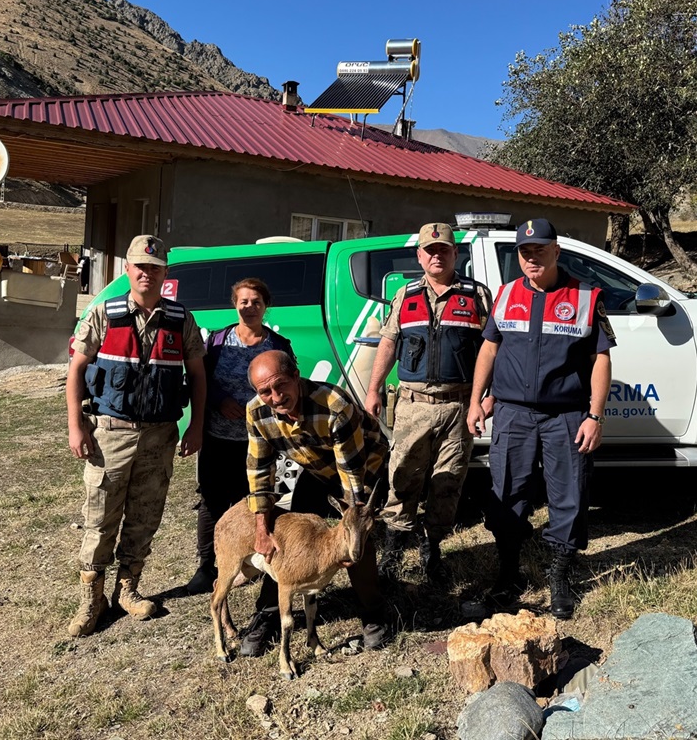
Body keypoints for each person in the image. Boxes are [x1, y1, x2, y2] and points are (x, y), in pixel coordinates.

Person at [466, 218, 615, 619]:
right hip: (512, 414)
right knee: (507, 492)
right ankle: (509, 574)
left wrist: (595, 415)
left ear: (556, 251)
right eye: (525, 251)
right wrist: (476, 400)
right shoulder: (506, 294)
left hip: (566, 415)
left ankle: (560, 576)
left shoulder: (586, 296)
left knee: (569, 495)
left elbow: (601, 359)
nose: (532, 258)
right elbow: (489, 349)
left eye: (540, 250)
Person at [65, 234, 207, 637]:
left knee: (145, 516)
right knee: (100, 518)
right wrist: (76, 426)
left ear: (165, 273)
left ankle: (127, 589)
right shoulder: (104, 314)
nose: (148, 273)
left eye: (155, 268)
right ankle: (91, 600)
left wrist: (195, 426)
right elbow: (76, 371)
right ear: (127, 269)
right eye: (141, 267)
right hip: (110, 434)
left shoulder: (180, 319)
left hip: (160, 436)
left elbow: (198, 376)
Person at [364, 222, 492, 582]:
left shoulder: (477, 295)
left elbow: (493, 348)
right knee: (403, 475)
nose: (437, 256)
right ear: (419, 256)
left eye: (444, 250)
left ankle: (432, 549)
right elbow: (388, 342)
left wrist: (489, 397)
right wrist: (373, 390)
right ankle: (393, 550)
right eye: (430, 251)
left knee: (447, 482)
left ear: (455, 254)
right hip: (413, 405)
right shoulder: (406, 295)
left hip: (458, 406)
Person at [240, 350, 389, 656]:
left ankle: (373, 613)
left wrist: (350, 543)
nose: (276, 397)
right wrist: (261, 528)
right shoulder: (256, 412)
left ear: (296, 377)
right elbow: (259, 472)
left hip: (362, 466)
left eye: (281, 385)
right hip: (316, 468)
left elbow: (351, 477)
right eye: (265, 391)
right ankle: (267, 615)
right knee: (285, 537)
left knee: (357, 538)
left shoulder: (334, 404)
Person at [186, 278, 294, 594]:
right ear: (235, 304)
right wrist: (220, 400)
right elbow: (200, 380)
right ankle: (208, 566)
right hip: (218, 438)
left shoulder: (278, 345)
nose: (249, 307)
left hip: (260, 442)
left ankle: (250, 562)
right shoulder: (219, 341)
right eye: (243, 301)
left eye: (256, 302)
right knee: (212, 502)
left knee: (254, 501)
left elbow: (289, 386)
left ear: (265, 306)